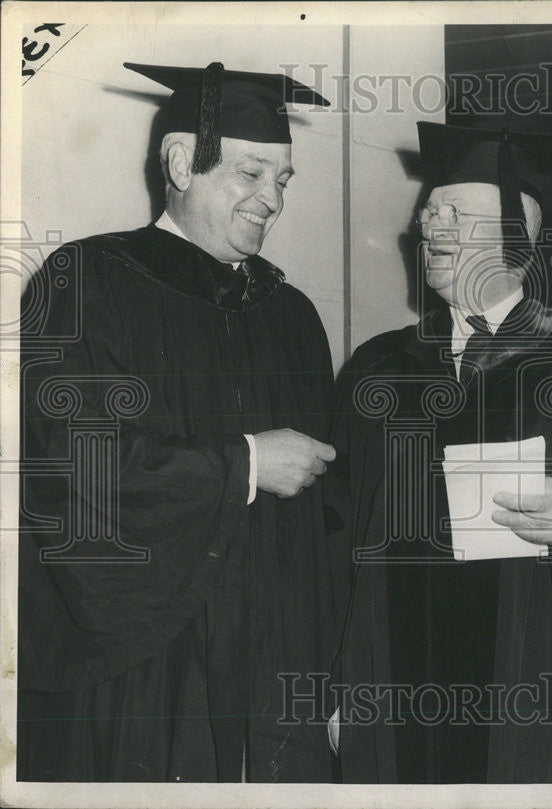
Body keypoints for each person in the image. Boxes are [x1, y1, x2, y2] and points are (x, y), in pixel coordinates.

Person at [18, 62, 343, 782]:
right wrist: (247, 464)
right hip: (142, 667)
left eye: (284, 179)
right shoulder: (83, 284)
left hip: (272, 671)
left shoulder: (292, 318)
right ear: (179, 163)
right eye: (253, 173)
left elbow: (328, 520)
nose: (273, 200)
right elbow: (75, 471)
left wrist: (331, 668)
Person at [330, 122, 552, 783]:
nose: (432, 226)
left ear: (518, 240)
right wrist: (338, 679)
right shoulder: (379, 369)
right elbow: (332, 532)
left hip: (537, 679)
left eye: (459, 214)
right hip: (393, 685)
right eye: (430, 212)